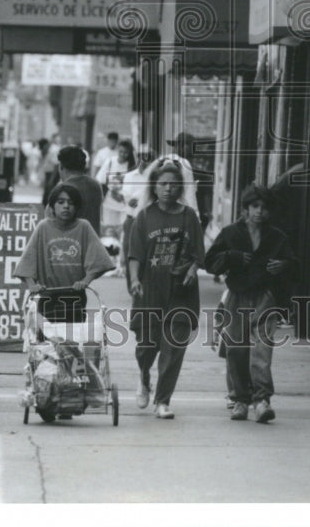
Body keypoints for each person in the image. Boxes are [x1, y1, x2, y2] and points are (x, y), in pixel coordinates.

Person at [204, 183, 298, 423]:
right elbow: (210, 261)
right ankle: (239, 400)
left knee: (262, 350)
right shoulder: (231, 234)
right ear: (245, 208)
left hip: (265, 296)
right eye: (255, 206)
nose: (260, 212)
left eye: (265, 208)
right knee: (236, 348)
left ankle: (262, 400)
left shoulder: (277, 236)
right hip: (237, 295)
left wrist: (284, 266)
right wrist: (231, 256)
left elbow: (293, 263)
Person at [128, 160, 205, 419]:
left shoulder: (188, 216)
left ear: (180, 187)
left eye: (174, 184)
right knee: (146, 347)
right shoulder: (145, 216)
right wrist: (135, 280)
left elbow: (198, 253)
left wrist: (193, 270)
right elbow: (135, 255)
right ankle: (143, 376)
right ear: (154, 187)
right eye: (163, 184)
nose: (169, 189)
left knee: (173, 349)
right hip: (150, 289)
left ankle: (162, 400)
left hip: (180, 291)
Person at [15, 183, 115, 320]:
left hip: (75, 295)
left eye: (71, 203)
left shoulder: (84, 227)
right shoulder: (43, 227)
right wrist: (32, 285)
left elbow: (100, 260)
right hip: (47, 295)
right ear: (52, 206)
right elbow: (28, 260)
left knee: (74, 337)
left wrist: (85, 281)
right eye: (60, 202)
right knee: (46, 337)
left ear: (77, 207)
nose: (66, 206)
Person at [96, 138, 136, 273]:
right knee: (109, 232)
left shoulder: (131, 166)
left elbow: (134, 186)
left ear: (130, 153)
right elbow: (100, 180)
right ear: (118, 150)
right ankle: (109, 263)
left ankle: (121, 264)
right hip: (109, 203)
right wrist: (111, 191)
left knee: (123, 234)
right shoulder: (110, 162)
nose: (123, 155)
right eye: (121, 151)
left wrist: (123, 194)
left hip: (124, 206)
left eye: (126, 153)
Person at [44, 145, 104, 234]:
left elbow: (50, 223)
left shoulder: (61, 190)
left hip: (69, 243)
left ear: (61, 167)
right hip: (93, 241)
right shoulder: (96, 186)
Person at [120, 144, 155, 293]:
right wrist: (144, 195)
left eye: (146, 156)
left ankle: (146, 285)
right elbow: (129, 199)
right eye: (140, 155)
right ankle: (133, 287)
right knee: (130, 253)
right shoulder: (129, 176)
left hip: (149, 220)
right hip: (132, 220)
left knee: (148, 254)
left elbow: (145, 198)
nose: (142, 159)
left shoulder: (155, 177)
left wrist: (140, 197)